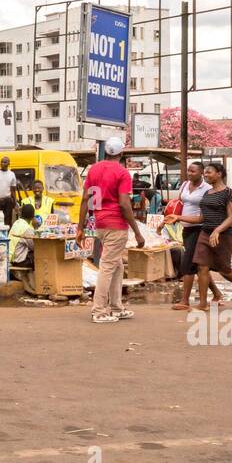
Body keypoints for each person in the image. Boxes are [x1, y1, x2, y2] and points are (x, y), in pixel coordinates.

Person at [76, 136, 145, 324]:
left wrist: (80, 228)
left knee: (117, 265)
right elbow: (124, 204)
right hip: (115, 224)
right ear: (122, 153)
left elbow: (86, 199)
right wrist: (137, 231)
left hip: (98, 222)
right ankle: (99, 311)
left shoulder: (94, 169)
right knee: (107, 267)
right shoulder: (122, 173)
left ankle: (116, 307)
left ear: (105, 151)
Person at [192, 163, 232, 310]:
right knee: (202, 267)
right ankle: (203, 304)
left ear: (219, 174)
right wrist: (178, 218)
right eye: (205, 172)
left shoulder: (228, 193)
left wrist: (217, 231)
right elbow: (201, 218)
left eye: (209, 172)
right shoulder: (207, 193)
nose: (206, 175)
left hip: (224, 236)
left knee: (225, 270)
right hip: (205, 233)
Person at [159, 161, 222, 310]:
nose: (189, 173)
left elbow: (203, 217)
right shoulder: (185, 185)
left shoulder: (207, 189)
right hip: (186, 229)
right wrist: (170, 219)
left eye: (193, 171)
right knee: (199, 266)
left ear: (201, 173)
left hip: (200, 229)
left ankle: (185, 301)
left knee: (187, 264)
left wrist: (179, 218)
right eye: (188, 171)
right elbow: (179, 203)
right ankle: (216, 294)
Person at [9, 203, 37, 267]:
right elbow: (35, 247)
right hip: (20, 262)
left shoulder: (16, 223)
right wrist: (35, 227)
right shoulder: (27, 229)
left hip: (11, 258)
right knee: (41, 255)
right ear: (32, 217)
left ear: (21, 214)